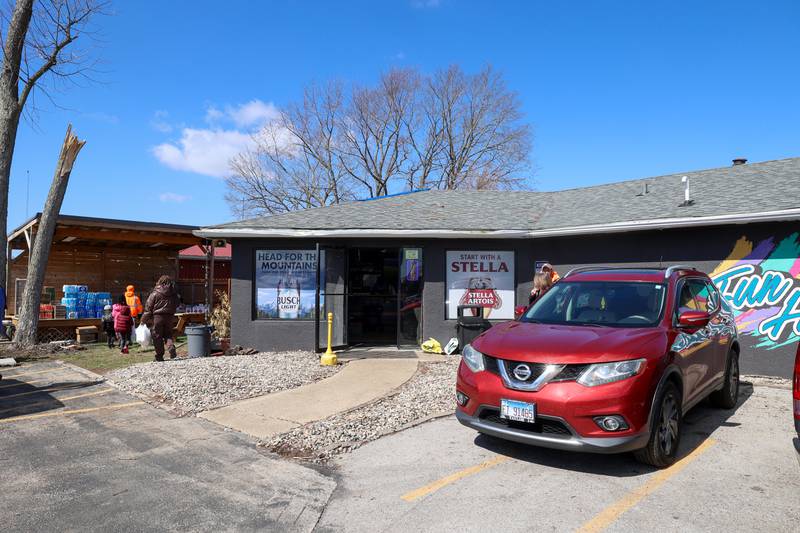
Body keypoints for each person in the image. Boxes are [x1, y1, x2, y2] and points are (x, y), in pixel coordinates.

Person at [140, 275, 180, 362]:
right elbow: (177, 304)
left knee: (157, 336)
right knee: (168, 334)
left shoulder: (155, 293)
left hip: (158, 318)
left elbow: (148, 309)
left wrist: (143, 320)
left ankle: (159, 356)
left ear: (160, 282)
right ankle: (171, 347)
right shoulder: (174, 294)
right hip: (170, 317)